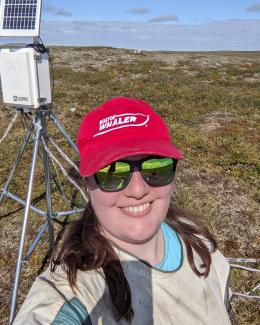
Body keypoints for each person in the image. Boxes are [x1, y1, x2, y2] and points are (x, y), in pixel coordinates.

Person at [14, 97, 231, 324]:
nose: (138, 190)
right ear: (87, 183)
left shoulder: (199, 243)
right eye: (112, 173)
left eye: (155, 168)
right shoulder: (76, 294)